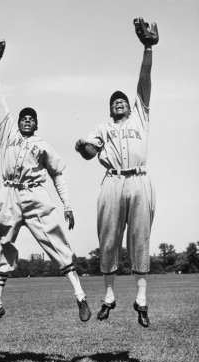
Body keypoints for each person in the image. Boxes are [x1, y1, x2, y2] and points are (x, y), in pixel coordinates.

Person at [0, 41, 91, 332]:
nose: (27, 121)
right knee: (0, 246)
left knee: (56, 241)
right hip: (9, 192)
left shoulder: (43, 145)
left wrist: (67, 205)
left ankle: (80, 296)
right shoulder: (8, 135)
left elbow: (58, 175)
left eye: (31, 119)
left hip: (35, 193)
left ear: (37, 124)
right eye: (23, 118)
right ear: (18, 123)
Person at [74, 18, 159, 327]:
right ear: (110, 109)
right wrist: (81, 147)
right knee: (109, 239)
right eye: (115, 102)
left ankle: (141, 300)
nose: (120, 103)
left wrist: (148, 48)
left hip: (139, 179)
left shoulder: (140, 118)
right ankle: (109, 296)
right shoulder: (102, 128)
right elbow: (90, 152)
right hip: (112, 181)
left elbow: (144, 80)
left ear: (131, 106)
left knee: (140, 238)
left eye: (123, 100)